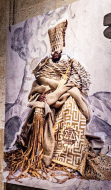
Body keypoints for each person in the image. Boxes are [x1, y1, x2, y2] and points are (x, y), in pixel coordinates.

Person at [7, 20, 100, 177]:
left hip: (65, 95)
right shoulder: (44, 64)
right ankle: (38, 153)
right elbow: (39, 83)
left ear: (61, 47)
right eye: (53, 50)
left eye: (57, 50)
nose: (55, 52)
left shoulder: (70, 64)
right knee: (39, 110)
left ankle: (65, 156)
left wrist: (61, 92)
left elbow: (75, 84)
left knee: (71, 107)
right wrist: (42, 94)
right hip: (48, 96)